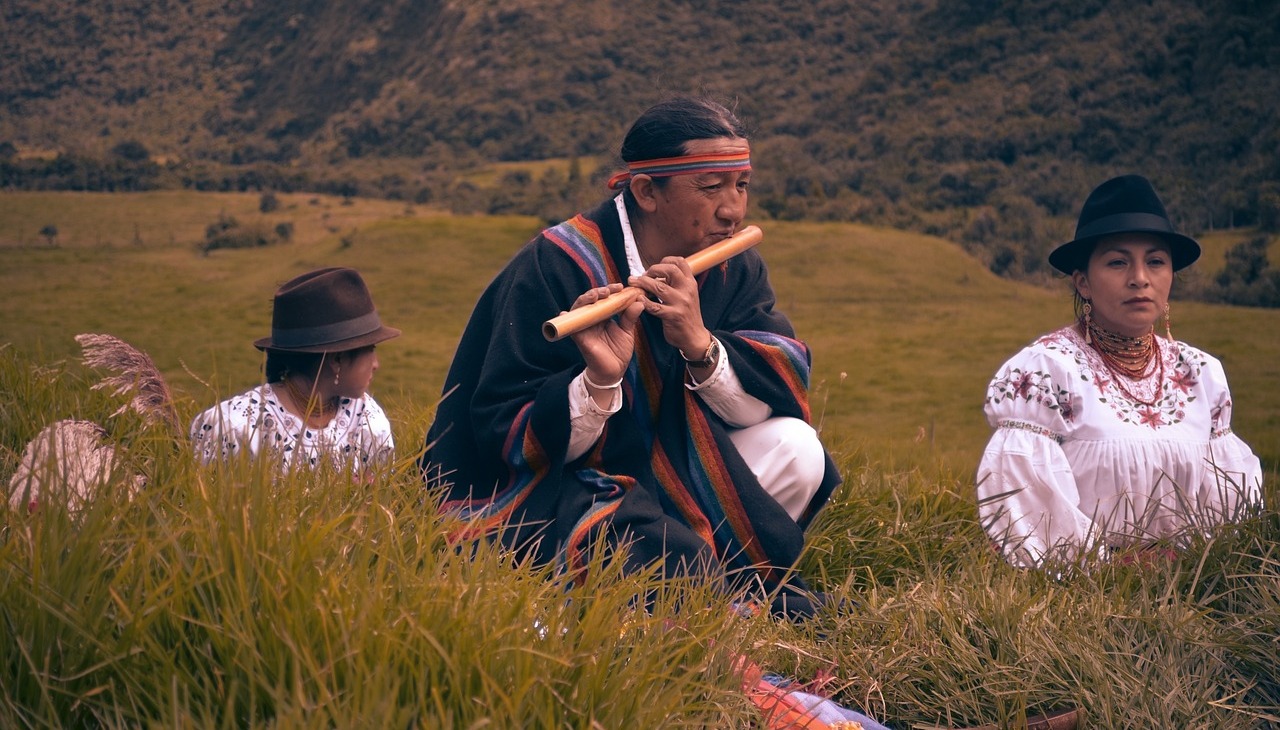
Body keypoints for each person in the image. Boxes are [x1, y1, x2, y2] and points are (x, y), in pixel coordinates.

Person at [421, 96, 841, 617]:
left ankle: (711, 583)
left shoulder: (736, 266)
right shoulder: (557, 264)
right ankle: (699, 593)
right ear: (645, 191)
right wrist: (598, 381)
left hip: (673, 470)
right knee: (651, 552)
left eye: (741, 185)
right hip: (565, 485)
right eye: (711, 188)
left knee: (798, 450)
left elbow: (771, 393)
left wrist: (699, 344)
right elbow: (506, 435)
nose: (733, 209)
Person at [976, 174, 1264, 569]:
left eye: (1156, 261)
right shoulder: (1045, 371)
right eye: (1117, 261)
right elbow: (1029, 514)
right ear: (1083, 283)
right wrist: (1114, 571)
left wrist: (1200, 566)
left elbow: (1232, 507)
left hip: (1192, 591)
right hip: (1080, 596)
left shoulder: (1200, 373)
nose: (1140, 278)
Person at [190, 267, 400, 473]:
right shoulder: (233, 428)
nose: (376, 364)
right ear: (337, 360)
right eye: (370, 351)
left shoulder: (367, 419)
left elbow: (384, 499)